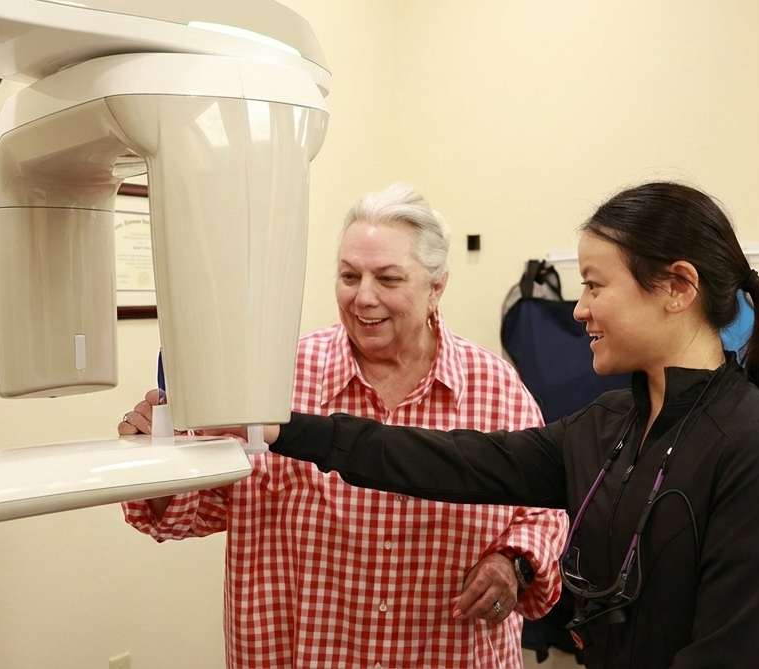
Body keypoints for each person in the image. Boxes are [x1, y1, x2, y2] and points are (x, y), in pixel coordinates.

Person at [262, 181, 759, 668]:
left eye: (596, 286)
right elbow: (445, 460)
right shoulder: (607, 428)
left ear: (678, 287)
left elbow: (731, 655)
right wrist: (281, 431)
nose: (580, 309)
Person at [118, 184, 568, 669]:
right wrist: (156, 462)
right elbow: (196, 506)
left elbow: (547, 510)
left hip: (447, 652)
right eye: (349, 276)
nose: (364, 298)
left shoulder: (494, 389)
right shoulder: (274, 381)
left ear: (436, 286)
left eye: (389, 279)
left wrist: (514, 563)